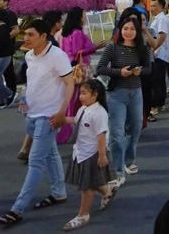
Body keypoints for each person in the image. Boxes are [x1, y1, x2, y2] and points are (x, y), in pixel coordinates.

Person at [0, 20, 76, 227]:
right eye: (26, 34)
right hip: (31, 114)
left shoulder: (57, 56)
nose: (26, 38)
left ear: (43, 36)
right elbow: (31, 81)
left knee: (35, 162)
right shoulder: (30, 56)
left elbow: (70, 83)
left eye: (31, 34)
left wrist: (62, 111)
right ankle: (59, 192)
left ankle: (17, 208)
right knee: (51, 153)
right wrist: (24, 99)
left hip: (49, 116)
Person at [96, 13, 153, 183]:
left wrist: (139, 71)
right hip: (116, 94)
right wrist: (119, 72)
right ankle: (118, 170)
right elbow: (100, 68)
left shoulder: (143, 49)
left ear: (137, 31)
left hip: (136, 93)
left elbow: (149, 69)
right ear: (120, 30)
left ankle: (129, 160)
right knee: (116, 133)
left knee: (135, 128)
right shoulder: (112, 48)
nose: (128, 32)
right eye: (125, 29)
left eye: (132, 29)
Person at [62, 80, 117, 231]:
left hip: (91, 153)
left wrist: (102, 155)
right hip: (80, 151)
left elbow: (101, 135)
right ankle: (107, 190)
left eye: (84, 93)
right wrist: (62, 120)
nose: (80, 96)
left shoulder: (99, 113)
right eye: (80, 93)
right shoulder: (83, 109)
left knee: (86, 186)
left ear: (95, 95)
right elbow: (76, 121)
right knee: (88, 179)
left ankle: (83, 215)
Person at [57, 8, 106, 143]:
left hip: (68, 68)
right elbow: (77, 52)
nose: (85, 18)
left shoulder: (65, 33)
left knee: (70, 101)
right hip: (79, 71)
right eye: (84, 15)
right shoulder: (77, 33)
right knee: (77, 102)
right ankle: (70, 132)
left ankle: (66, 132)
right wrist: (95, 48)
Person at [147, 0, 169, 119]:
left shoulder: (161, 19)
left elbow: (162, 35)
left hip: (160, 54)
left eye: (154, 6)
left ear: (162, 7)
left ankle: (155, 106)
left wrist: (154, 48)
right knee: (160, 80)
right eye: (151, 6)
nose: (152, 8)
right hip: (160, 53)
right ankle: (160, 103)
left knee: (156, 81)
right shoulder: (157, 18)